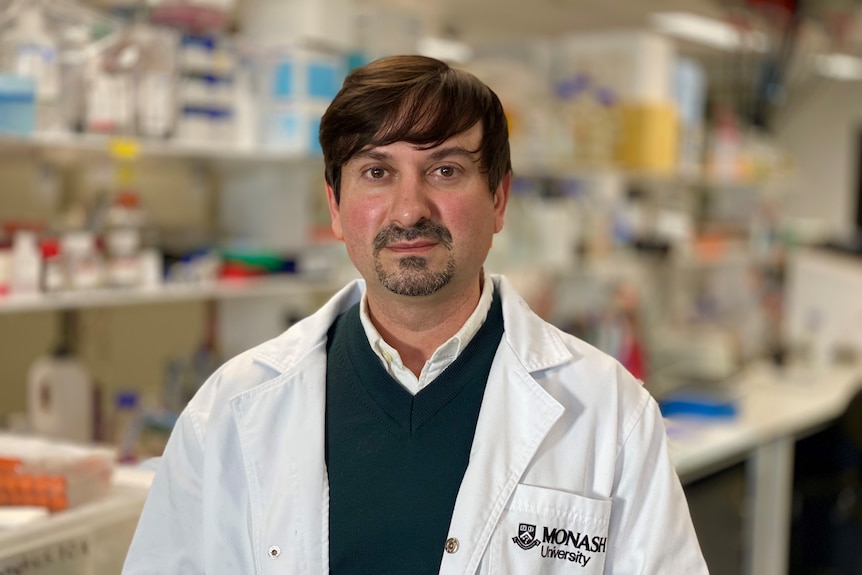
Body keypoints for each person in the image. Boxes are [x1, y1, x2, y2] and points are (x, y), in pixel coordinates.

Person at [122, 54, 709, 574]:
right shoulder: (228, 410)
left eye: (445, 170)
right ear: (335, 205)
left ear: (499, 199)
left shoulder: (610, 413)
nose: (409, 210)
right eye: (377, 173)